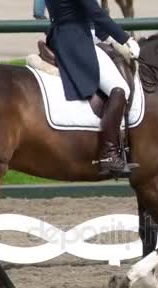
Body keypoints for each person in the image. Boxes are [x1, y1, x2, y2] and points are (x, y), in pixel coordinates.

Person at [45, 0, 140, 177]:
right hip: (76, 39)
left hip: (63, 35)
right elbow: (95, 12)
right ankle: (109, 154)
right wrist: (125, 39)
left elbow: (83, 12)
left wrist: (109, 37)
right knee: (120, 89)